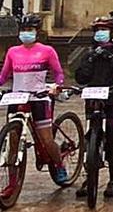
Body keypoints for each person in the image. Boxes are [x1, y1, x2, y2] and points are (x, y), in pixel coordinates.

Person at [0, 14, 68, 187]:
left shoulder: (47, 51)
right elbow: (4, 75)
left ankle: (59, 164)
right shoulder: (13, 52)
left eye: (29, 30)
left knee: (46, 138)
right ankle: (13, 177)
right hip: (18, 97)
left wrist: (56, 86)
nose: (25, 33)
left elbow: (59, 73)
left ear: (37, 32)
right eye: (23, 30)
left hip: (39, 97)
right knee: (13, 140)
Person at [75, 16, 113, 199]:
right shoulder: (89, 51)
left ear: (112, 32)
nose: (100, 33)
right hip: (93, 97)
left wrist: (111, 59)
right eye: (98, 29)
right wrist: (91, 59)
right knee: (91, 135)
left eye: (104, 29)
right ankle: (89, 176)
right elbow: (80, 77)